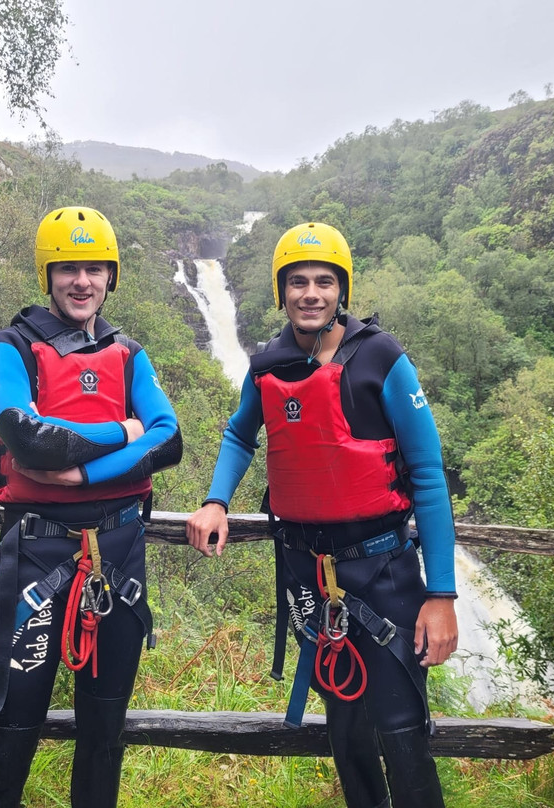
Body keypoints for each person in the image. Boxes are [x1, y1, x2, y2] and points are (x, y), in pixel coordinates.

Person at [186, 222, 458, 808]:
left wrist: (442, 596)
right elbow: (239, 435)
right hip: (309, 571)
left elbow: (430, 478)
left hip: (385, 571)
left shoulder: (381, 357)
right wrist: (216, 500)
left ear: (342, 290)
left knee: (403, 730)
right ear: (281, 291)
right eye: (299, 282)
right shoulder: (268, 364)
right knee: (347, 728)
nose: (312, 293)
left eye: (325, 282)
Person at [0, 206, 182, 808]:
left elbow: (170, 440)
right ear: (48, 274)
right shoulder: (7, 347)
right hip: (37, 552)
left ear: (110, 276)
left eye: (94, 268)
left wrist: (83, 469)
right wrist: (126, 430)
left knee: (103, 734)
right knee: (9, 729)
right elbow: (26, 436)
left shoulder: (128, 353)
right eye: (68, 269)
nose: (82, 281)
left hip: (117, 554)